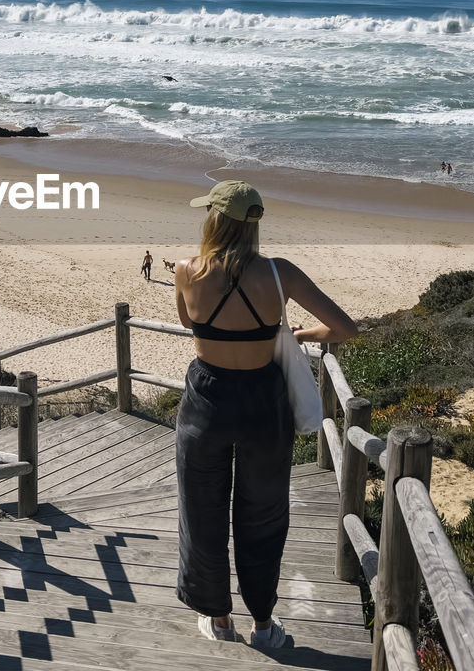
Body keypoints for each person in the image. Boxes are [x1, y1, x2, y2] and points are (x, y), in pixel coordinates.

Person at [173, 180, 358, 647]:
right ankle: (262, 625)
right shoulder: (281, 274)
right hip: (263, 403)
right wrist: (300, 335)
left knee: (202, 512)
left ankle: (217, 620)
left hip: (206, 402)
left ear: (214, 220)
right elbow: (345, 328)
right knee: (263, 514)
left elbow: (187, 322)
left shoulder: (186, 270)